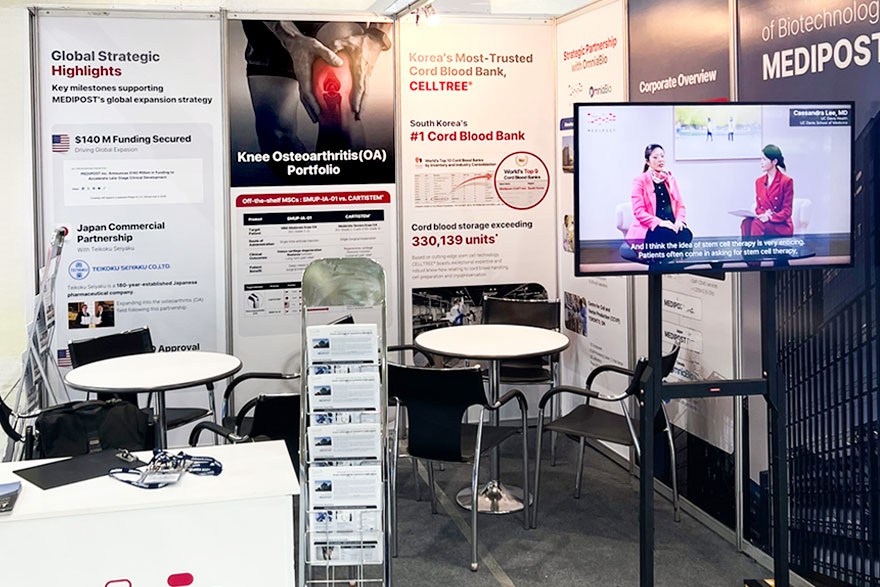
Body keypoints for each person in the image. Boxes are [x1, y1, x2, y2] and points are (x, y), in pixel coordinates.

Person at [241, 21, 392, 162]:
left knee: (338, 112)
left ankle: (341, 182)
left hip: (331, 12)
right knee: (277, 139)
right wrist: (289, 37)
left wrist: (377, 35)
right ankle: (308, 181)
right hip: (269, 15)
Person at [626, 144, 693, 250]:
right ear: (647, 161)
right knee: (665, 236)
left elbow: (680, 206)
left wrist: (679, 221)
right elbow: (639, 212)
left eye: (662, 156)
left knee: (686, 234)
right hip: (651, 227)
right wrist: (660, 223)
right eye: (655, 157)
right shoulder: (640, 181)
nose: (660, 160)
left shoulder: (670, 179)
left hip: (672, 225)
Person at [741, 144, 793, 238]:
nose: (761, 162)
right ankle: (748, 248)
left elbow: (787, 211)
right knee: (746, 223)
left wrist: (770, 217)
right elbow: (758, 207)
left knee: (757, 224)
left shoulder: (786, 181)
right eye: (761, 159)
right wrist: (763, 215)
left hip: (780, 225)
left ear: (774, 161)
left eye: (764, 159)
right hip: (764, 221)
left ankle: (757, 248)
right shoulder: (759, 182)